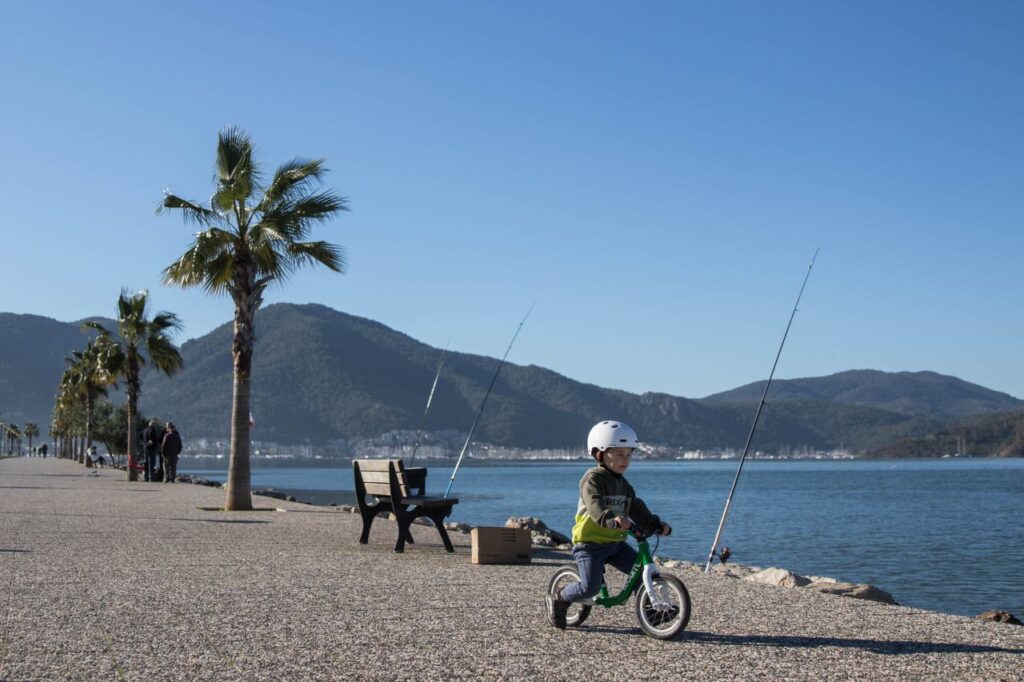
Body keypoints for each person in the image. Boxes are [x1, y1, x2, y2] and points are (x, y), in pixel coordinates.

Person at [545, 420, 672, 630]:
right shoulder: (592, 479)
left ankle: (652, 614)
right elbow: (594, 504)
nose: (626, 459)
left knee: (644, 573)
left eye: (629, 454)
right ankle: (559, 597)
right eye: (619, 454)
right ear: (599, 454)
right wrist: (610, 520)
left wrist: (656, 525)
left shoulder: (623, 484)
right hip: (590, 543)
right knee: (589, 588)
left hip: (615, 543)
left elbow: (636, 507)